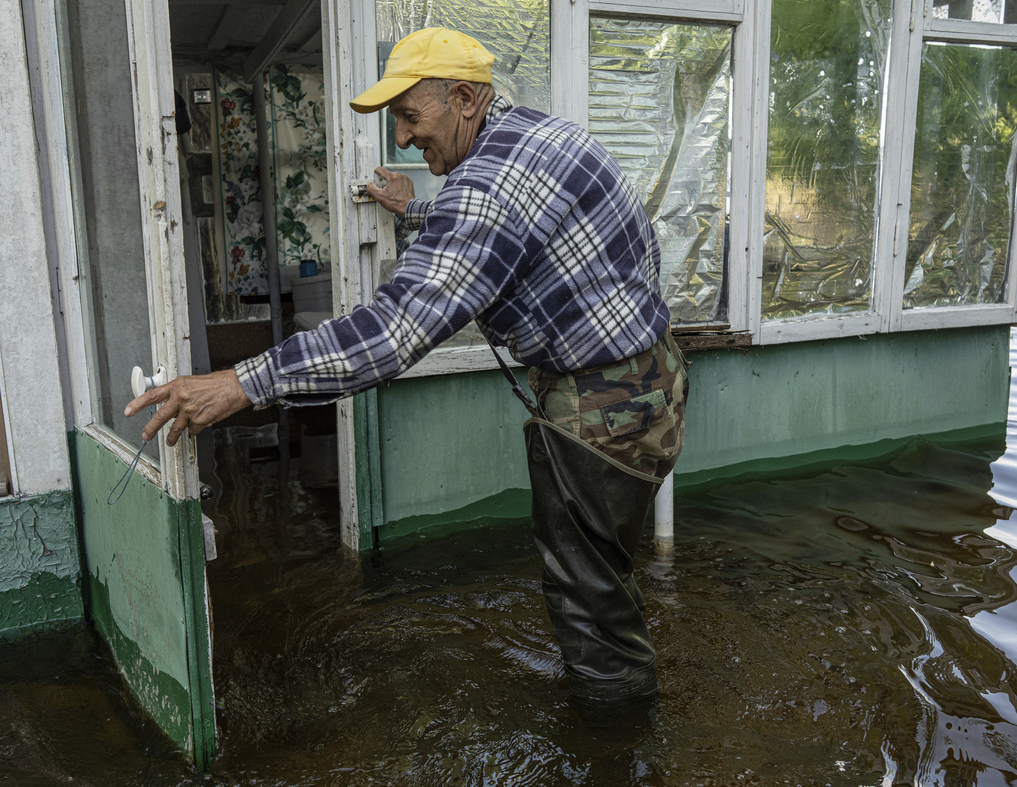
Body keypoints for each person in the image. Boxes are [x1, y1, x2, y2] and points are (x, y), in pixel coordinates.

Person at [124, 27, 687, 709]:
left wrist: (242, 381)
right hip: (655, 383)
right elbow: (506, 225)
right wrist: (412, 207)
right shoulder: (544, 139)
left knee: (591, 609)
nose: (401, 139)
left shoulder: (486, 190)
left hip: (598, 418)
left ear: (464, 99)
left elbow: (390, 334)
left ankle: (618, 742)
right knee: (608, 574)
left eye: (410, 117)